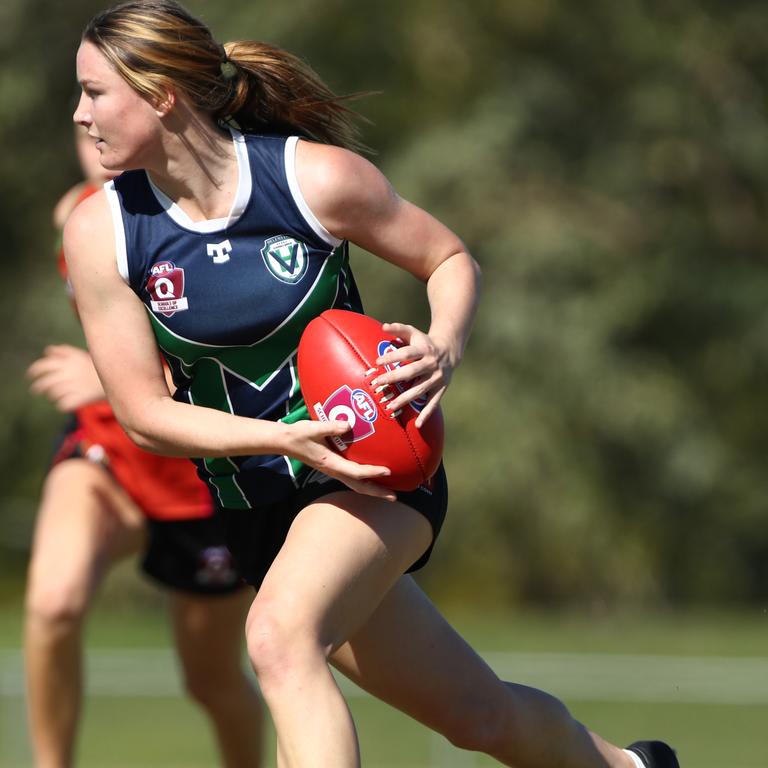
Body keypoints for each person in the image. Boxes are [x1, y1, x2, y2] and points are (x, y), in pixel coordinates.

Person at [63, 2, 680, 767]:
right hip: (255, 504)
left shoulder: (309, 180)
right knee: (477, 717)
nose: (80, 114)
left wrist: (442, 348)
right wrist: (280, 439)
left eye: (95, 92)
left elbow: (450, 258)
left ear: (160, 94)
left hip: (372, 472)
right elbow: (145, 415)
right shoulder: (103, 232)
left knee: (280, 643)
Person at [24, 123, 264, 768]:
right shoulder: (77, 213)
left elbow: (224, 369)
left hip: (204, 478)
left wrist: (102, 383)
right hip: (109, 458)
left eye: (102, 107)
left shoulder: (213, 226)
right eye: (80, 116)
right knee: (52, 602)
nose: (87, 123)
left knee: (210, 682)